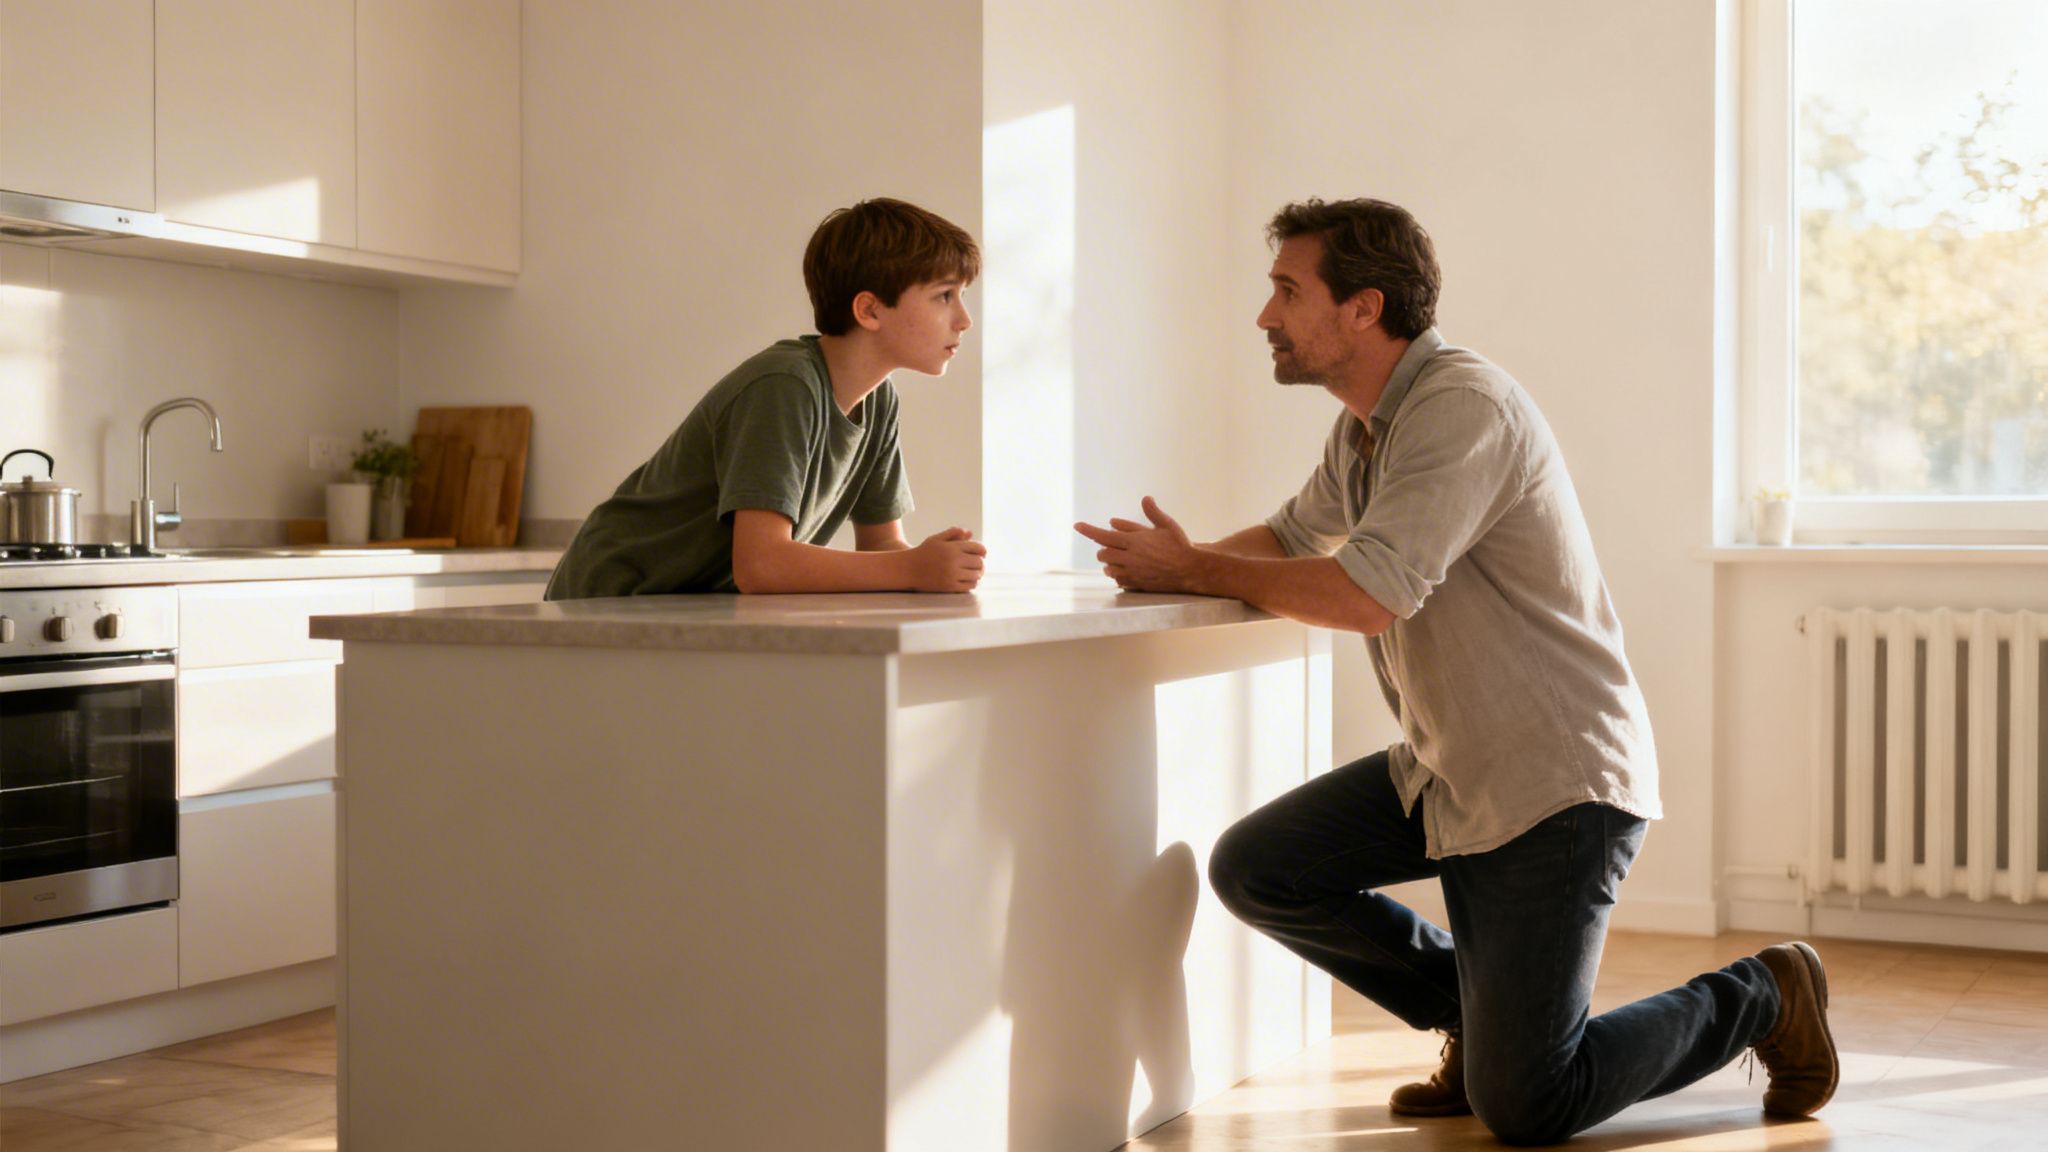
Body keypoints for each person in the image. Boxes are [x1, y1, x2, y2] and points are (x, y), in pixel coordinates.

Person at [1073, 198, 1836, 1145]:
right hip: (1450, 765)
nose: (1265, 316)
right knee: (1262, 869)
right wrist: (1161, 576)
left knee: (1529, 1104)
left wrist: (1190, 569)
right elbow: (1287, 535)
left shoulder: (1459, 407)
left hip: (1552, 785)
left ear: (1365, 307)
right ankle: (1477, 1022)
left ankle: (1762, 994)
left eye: (1286, 290)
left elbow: (1367, 592)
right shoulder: (1363, 429)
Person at [545, 197, 987, 600]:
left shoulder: (878, 401)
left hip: (681, 608)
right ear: (869, 310)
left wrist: (928, 568)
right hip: (604, 602)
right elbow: (762, 566)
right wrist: (912, 567)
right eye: (944, 296)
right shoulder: (784, 385)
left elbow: (883, 544)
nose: (964, 319)